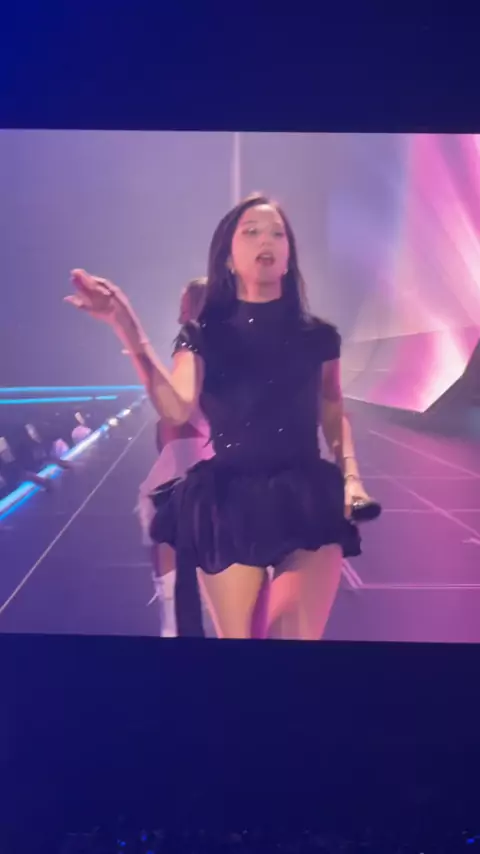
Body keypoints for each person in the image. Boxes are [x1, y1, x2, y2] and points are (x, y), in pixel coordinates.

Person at [65, 192, 373, 640]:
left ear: (289, 255)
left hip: (306, 498)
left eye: (277, 233)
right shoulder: (203, 336)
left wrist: (351, 474)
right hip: (229, 504)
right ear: (227, 258)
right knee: (240, 650)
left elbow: (331, 405)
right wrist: (126, 327)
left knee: (291, 641)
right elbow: (176, 406)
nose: (265, 240)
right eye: (251, 232)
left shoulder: (319, 337)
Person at [135, 279, 214, 637]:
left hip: (189, 464)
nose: (180, 315)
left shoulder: (192, 347)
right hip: (218, 462)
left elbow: (175, 418)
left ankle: (170, 612)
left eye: (185, 307)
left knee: (163, 524)